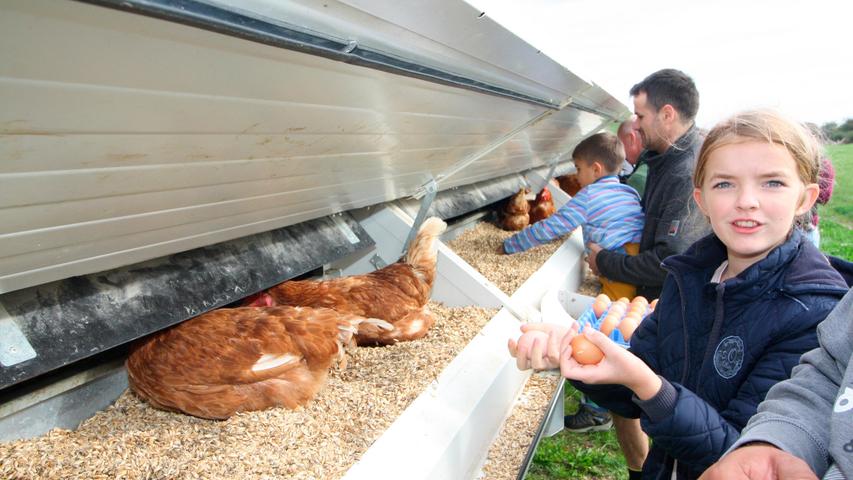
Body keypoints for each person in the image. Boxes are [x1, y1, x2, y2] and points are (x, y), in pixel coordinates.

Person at [509, 110, 850, 480]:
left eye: (772, 183)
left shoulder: (815, 313)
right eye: (724, 184)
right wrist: (579, 358)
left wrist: (647, 385)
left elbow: (744, 457)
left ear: (805, 198)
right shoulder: (689, 277)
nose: (746, 200)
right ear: (701, 200)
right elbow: (637, 387)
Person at [699, 286, 853, 480]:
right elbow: (833, 374)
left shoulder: (805, 307)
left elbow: (722, 435)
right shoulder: (686, 275)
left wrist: (658, 394)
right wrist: (775, 442)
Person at [586, 69, 709, 301]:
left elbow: (669, 262)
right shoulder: (661, 158)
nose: (636, 124)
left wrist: (605, 261)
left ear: (667, 114)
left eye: (640, 116)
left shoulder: (687, 175)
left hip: (668, 302)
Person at [503, 131, 644, 300]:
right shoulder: (629, 191)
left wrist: (511, 245)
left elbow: (553, 226)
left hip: (618, 264)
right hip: (636, 259)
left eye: (578, 169)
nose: (576, 176)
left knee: (612, 308)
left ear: (596, 169)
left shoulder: (590, 195)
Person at [618, 116, 648, 196]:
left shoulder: (638, 178)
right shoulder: (652, 160)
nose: (620, 152)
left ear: (631, 139)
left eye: (620, 145)